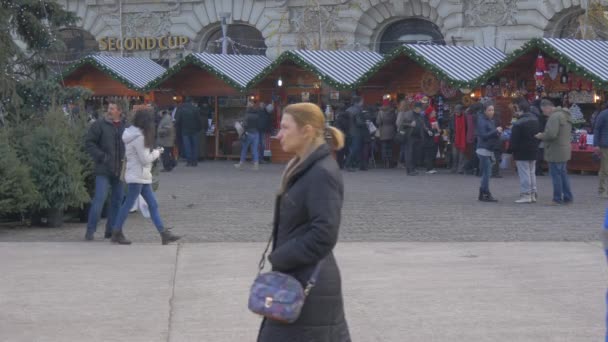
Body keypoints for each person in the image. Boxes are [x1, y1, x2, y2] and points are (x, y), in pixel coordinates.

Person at [257, 102, 350, 342]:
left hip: (309, 285)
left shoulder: (321, 173)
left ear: (307, 130)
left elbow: (325, 233)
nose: (278, 135)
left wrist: (280, 257)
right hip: (296, 279)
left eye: (285, 128)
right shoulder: (303, 166)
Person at [110, 109, 181, 245]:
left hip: (140, 175)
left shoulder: (133, 134)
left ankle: (163, 233)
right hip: (138, 176)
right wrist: (157, 152)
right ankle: (117, 231)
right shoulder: (139, 137)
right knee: (129, 204)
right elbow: (145, 159)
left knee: (151, 204)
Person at [84, 101, 126, 241]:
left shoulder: (126, 126)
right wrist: (101, 156)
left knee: (117, 201)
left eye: (112, 108)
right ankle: (90, 230)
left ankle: (111, 230)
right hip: (103, 168)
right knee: (99, 199)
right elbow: (89, 142)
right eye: (109, 108)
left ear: (119, 111)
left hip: (120, 170)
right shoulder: (99, 125)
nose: (109, 110)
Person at [535, 99, 573, 205]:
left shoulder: (554, 117)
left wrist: (541, 135)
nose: (544, 113)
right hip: (564, 149)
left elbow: (551, 134)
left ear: (547, 107)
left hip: (555, 150)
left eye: (543, 111)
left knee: (556, 175)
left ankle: (557, 199)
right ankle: (568, 196)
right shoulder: (564, 114)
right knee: (563, 175)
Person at [508, 97, 540, 203]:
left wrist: (510, 150)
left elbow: (514, 140)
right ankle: (533, 193)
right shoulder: (535, 119)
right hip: (533, 149)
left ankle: (526, 195)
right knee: (531, 172)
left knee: (524, 173)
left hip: (521, 151)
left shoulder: (519, 123)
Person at [476, 103, 503, 202]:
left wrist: (497, 133)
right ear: (484, 111)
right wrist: (495, 130)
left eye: (492, 110)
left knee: (487, 173)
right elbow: (483, 135)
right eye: (489, 110)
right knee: (487, 173)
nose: (492, 112)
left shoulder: (491, 120)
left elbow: (491, 134)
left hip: (490, 149)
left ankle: (483, 193)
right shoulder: (481, 120)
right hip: (483, 149)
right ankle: (485, 193)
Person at [396, 101, 424, 175]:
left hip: (417, 136)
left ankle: (413, 169)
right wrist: (410, 124)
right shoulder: (409, 114)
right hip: (409, 136)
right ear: (416, 108)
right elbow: (401, 123)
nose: (421, 110)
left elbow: (421, 124)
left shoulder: (420, 115)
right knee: (409, 154)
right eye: (420, 108)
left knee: (415, 154)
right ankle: (410, 170)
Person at [175, 97, 203, 167]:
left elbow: (177, 120)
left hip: (185, 131)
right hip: (194, 130)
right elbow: (199, 120)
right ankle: (194, 162)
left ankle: (189, 162)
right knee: (195, 146)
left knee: (187, 147)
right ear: (191, 101)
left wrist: (178, 129)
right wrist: (199, 128)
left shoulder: (180, 109)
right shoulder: (195, 109)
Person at [235, 102, 261, 170]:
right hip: (256, 134)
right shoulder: (257, 115)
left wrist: (241, 125)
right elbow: (259, 125)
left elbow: (245, 125)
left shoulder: (247, 115)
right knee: (255, 149)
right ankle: (256, 164)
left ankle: (241, 164)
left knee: (244, 149)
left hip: (248, 133)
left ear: (248, 108)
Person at [344, 96, 365, 172]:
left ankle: (352, 164)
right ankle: (348, 164)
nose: (363, 103)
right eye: (362, 101)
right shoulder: (358, 110)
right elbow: (359, 122)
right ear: (358, 102)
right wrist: (365, 122)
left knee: (351, 148)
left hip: (348, 131)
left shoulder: (348, 109)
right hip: (356, 131)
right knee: (355, 149)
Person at [593, 102, 608, 198]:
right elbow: (597, 129)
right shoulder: (603, 114)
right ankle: (603, 190)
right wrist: (596, 144)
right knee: (605, 169)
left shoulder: (602, 114)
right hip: (605, 145)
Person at [376, 101, 397, 168]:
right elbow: (395, 121)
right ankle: (390, 163)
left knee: (384, 147)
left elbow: (378, 122)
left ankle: (384, 163)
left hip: (383, 130)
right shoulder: (393, 112)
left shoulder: (380, 112)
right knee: (390, 148)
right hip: (391, 130)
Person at [450, 104, 468, 173]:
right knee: (454, 154)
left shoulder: (465, 117)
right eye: (455, 110)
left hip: (463, 138)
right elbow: (451, 127)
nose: (456, 112)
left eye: (458, 111)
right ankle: (454, 167)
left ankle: (460, 168)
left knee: (462, 154)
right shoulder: (452, 117)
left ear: (461, 111)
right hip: (455, 137)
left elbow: (467, 127)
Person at [422, 106, 440, 174]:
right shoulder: (426, 120)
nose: (435, 112)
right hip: (428, 140)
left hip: (435, 139)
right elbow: (426, 130)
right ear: (430, 113)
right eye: (433, 111)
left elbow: (437, 129)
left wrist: (439, 131)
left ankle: (432, 167)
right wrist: (435, 130)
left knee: (433, 154)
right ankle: (429, 168)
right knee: (429, 154)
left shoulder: (435, 119)